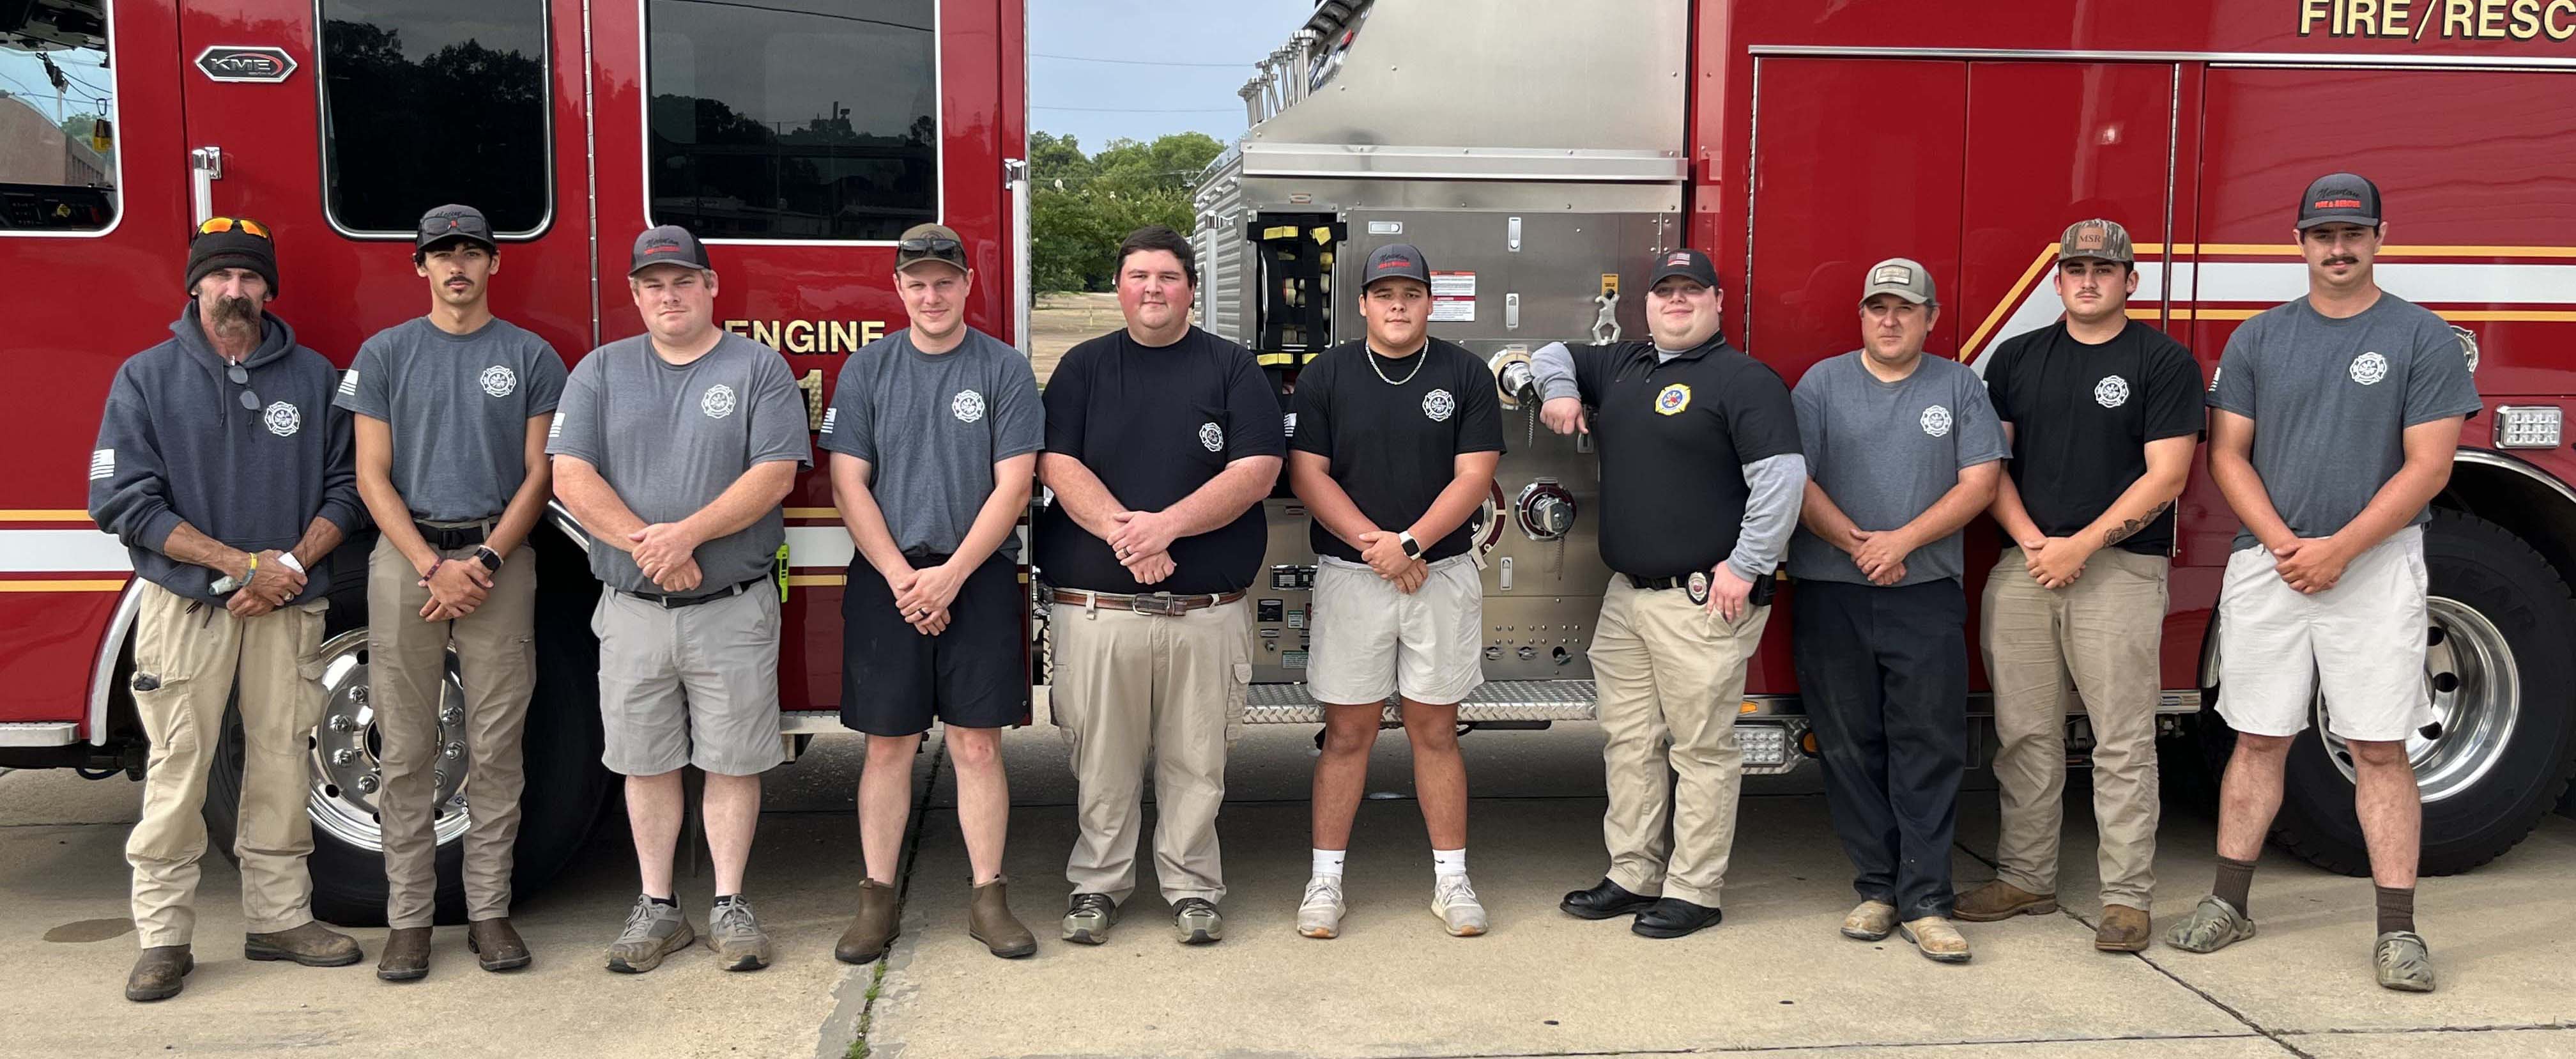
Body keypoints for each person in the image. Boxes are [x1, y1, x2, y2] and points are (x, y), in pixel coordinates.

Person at [2168, 173, 2477, 993]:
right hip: (2270, 564)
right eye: (2322, 235)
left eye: (2353, 234)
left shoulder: (2422, 337)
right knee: (2258, 736)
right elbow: (2227, 454)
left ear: (2380, 237)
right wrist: (2285, 544)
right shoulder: (2260, 338)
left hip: (2375, 568)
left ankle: (2398, 931)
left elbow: (2429, 465)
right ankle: (2228, 903)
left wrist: (2339, 548)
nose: (2337, 250)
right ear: (2300, 241)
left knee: (2378, 746)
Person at [89, 217, 367, 1000]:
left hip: (289, 601)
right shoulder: (146, 378)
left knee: (282, 759)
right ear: (195, 287)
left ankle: (280, 919)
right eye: (220, 277)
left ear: (268, 289)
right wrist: (238, 565)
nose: (235, 291)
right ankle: (163, 937)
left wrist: (288, 565)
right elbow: (121, 500)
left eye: (249, 277)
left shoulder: (314, 378)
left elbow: (349, 489)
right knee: (179, 766)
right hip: (188, 608)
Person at [548, 226, 808, 974]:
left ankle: (729, 903)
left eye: (683, 281)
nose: (670, 296)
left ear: (711, 286)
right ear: (635, 295)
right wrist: (650, 548)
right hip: (633, 608)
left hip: (731, 605)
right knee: (646, 761)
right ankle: (658, 906)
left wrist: (686, 536)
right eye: (654, 285)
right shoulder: (600, 371)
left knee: (734, 760)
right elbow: (570, 474)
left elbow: (776, 474)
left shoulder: (758, 367)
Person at [1531, 247, 1806, 940]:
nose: (1677, 301)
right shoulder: (1623, 364)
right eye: (1665, 291)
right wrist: (1560, 390)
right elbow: (1550, 353)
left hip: (1702, 600)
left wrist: (1746, 566)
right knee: (1629, 742)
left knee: (1701, 750)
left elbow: (1782, 480)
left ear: (1718, 301)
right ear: (1646, 304)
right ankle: (1633, 873)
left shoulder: (1745, 380)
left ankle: (1695, 889)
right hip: (1626, 598)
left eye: (1691, 290)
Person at [1954, 219, 2198, 952]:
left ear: (2131, 282)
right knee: (2024, 732)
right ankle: (2026, 877)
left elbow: (2169, 475)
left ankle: (2126, 897)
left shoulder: (2163, 361)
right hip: (2026, 564)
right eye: (2076, 269)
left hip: (2119, 569)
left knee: (2122, 739)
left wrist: (2081, 546)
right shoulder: (2017, 357)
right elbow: (1989, 464)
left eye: (2104, 269)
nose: (2088, 280)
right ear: (2057, 280)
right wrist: (2034, 542)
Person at [1034, 225, 1282, 947]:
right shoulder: (1082, 367)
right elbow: (1056, 463)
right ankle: (1097, 884)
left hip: (1204, 613)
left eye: (1168, 276)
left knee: (1198, 763)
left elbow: (1257, 470)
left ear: (1191, 289)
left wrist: (1165, 527)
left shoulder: (1233, 368)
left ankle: (1194, 887)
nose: (1153, 289)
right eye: (1139, 276)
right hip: (1100, 614)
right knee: (1101, 764)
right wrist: (1130, 536)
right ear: (1119, 287)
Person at [339, 205, 565, 980]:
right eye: (442, 254)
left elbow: (541, 475)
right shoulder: (385, 354)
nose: (457, 265)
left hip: (500, 558)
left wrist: (487, 560)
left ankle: (489, 913)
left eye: (471, 252)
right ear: (421, 267)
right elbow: (371, 474)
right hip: (407, 560)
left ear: (494, 263)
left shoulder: (531, 356)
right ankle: (408, 922)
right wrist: (431, 566)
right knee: (405, 747)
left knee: (497, 746)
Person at [825, 223, 1043, 963]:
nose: (931, 295)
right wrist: (901, 576)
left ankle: (989, 898)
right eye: (916, 283)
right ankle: (876, 900)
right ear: (898, 288)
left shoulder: (1004, 369)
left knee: (978, 744)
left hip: (977, 577)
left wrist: (952, 575)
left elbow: (1014, 484)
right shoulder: (867, 369)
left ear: (967, 285)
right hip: (887, 578)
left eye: (944, 281)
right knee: (887, 744)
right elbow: (847, 483)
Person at [1789, 258, 2006, 964]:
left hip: (1925, 593)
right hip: (1833, 591)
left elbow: (1981, 481)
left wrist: (1901, 542)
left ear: (1930, 318)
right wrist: (1860, 546)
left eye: (1905, 308)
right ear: (1862, 315)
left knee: (1929, 746)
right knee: (1849, 746)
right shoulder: (1821, 385)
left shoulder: (1958, 385)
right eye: (1878, 307)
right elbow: (1796, 479)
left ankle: (1928, 900)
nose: (1890, 320)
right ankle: (1877, 889)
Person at [1288, 243, 1505, 939]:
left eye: (1411, 294)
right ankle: (1325, 882)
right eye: (1384, 295)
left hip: (1439, 575)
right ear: (1362, 304)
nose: (1398, 306)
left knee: (1435, 732)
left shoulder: (1465, 373)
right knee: (1346, 734)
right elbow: (1308, 475)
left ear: (1430, 302)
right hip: (1355, 576)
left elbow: (1474, 476)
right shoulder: (1327, 374)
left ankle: (1452, 881)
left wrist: (1409, 544)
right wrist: (1377, 547)